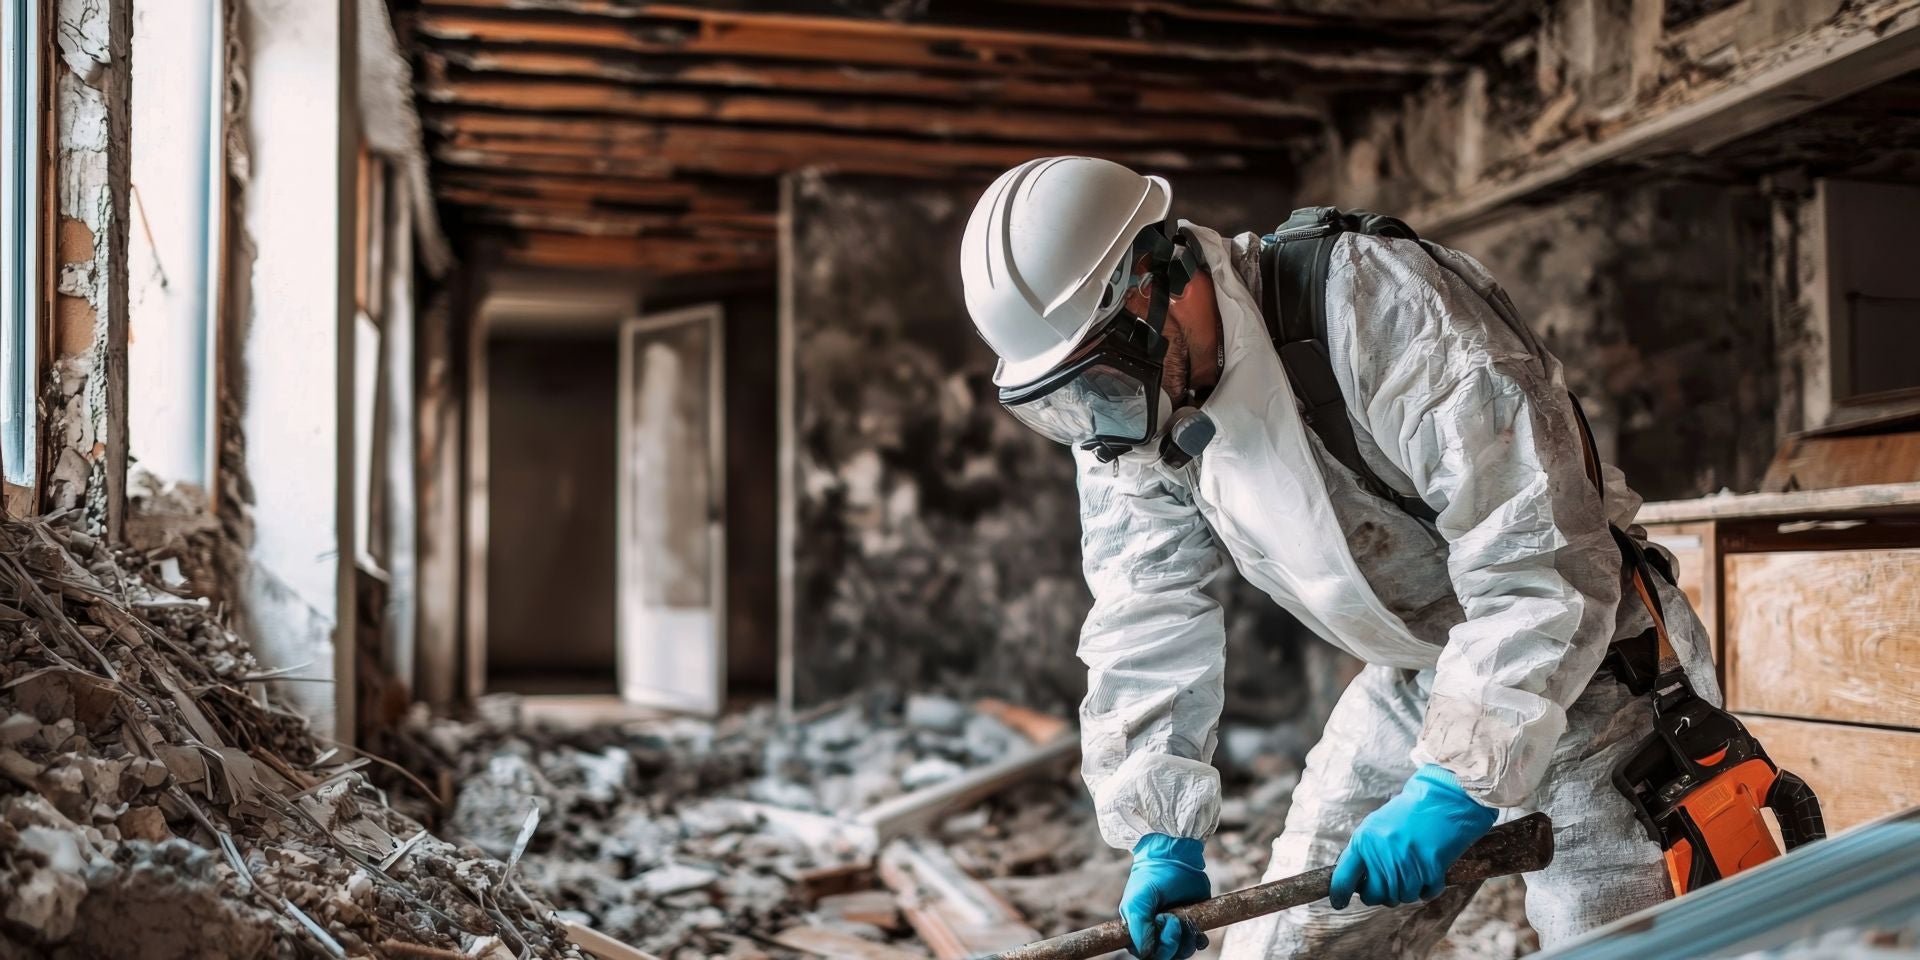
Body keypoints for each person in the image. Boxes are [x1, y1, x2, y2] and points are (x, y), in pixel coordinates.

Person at [957, 157, 1720, 960]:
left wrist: (1455, 781)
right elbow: (1145, 611)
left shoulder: (1374, 305)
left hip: (1600, 670)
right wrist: (1160, 832)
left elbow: (1542, 555)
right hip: (1417, 674)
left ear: (1161, 276)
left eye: (1097, 376)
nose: (1096, 421)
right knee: (1282, 951)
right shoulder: (1129, 419)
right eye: (1062, 400)